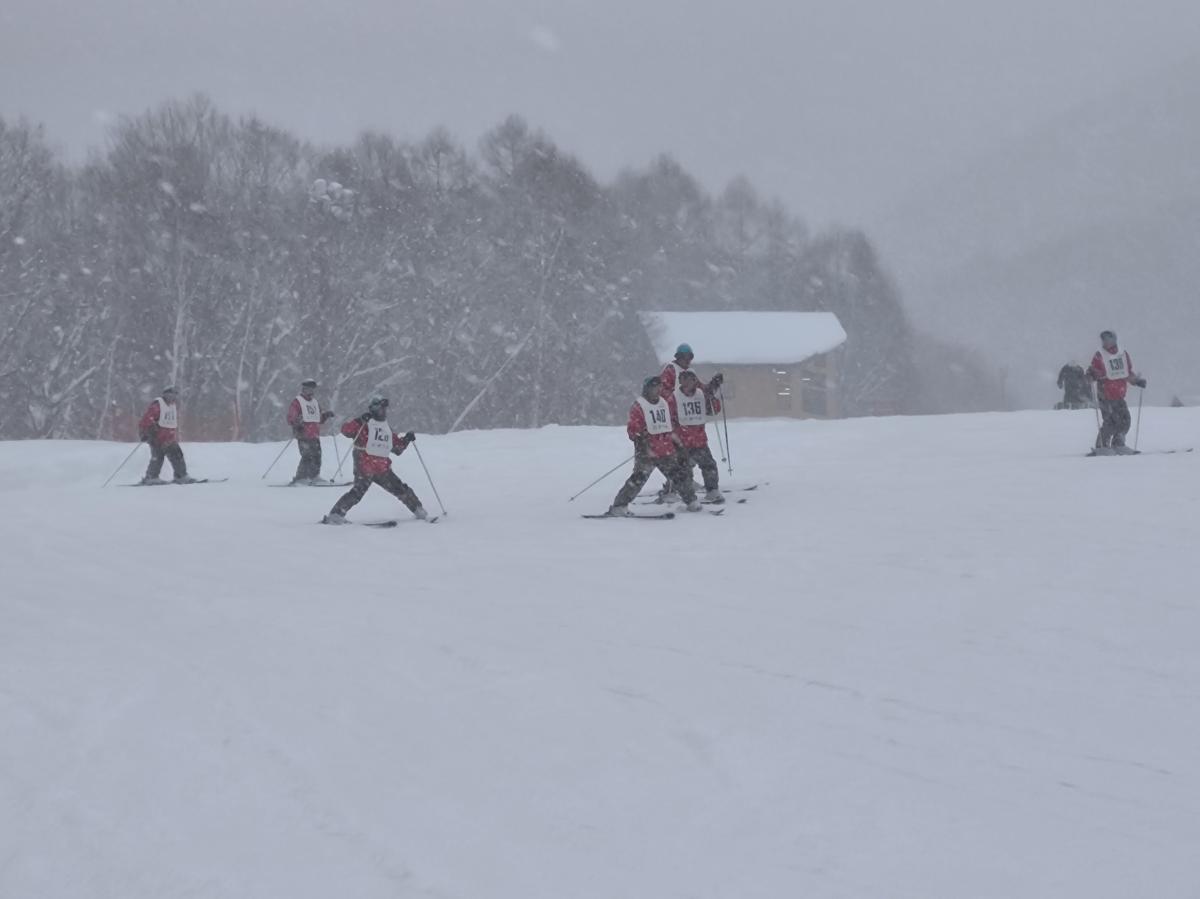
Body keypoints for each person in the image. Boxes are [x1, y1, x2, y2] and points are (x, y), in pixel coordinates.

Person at [323, 395, 428, 523]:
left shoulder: (385, 427)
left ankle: (419, 510)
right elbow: (346, 430)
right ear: (373, 409)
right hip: (364, 466)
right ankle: (336, 515)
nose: (383, 411)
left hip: (382, 468)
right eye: (381, 408)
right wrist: (360, 420)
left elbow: (397, 448)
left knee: (400, 489)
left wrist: (406, 439)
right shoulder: (364, 423)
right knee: (357, 493)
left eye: (384, 409)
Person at [607, 376, 700, 517]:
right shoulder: (639, 406)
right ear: (647, 389)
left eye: (659, 387)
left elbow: (668, 425)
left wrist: (677, 443)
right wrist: (642, 444)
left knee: (679, 476)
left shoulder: (663, 403)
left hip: (665, 449)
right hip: (647, 451)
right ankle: (619, 506)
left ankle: (691, 502)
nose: (657, 390)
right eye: (654, 387)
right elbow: (633, 430)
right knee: (637, 479)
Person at [668, 369, 724, 503]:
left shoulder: (702, 395)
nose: (686, 382)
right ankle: (680, 493)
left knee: (708, 465)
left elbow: (714, 409)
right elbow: (668, 418)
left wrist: (712, 396)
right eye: (683, 379)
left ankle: (712, 490)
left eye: (689, 379)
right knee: (682, 470)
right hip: (681, 442)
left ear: (695, 381)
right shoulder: (674, 398)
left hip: (699, 440)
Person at [1088, 330, 1146, 453]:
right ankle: (1102, 446)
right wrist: (1092, 375)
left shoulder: (1122, 354)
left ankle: (1118, 444)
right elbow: (1093, 372)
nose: (1105, 342)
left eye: (1108, 339)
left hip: (1119, 395)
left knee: (1125, 420)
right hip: (1105, 394)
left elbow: (1127, 372)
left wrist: (1137, 381)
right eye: (1103, 339)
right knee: (1111, 421)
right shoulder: (1100, 355)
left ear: (1114, 340)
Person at [286, 378, 336, 484]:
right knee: (307, 455)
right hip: (303, 434)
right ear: (303, 389)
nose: (310, 391)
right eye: (308, 389)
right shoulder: (298, 401)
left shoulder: (314, 402)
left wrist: (326, 415)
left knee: (317, 456)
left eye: (312, 389)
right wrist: (296, 424)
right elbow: (291, 417)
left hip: (314, 435)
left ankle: (314, 476)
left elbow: (319, 418)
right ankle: (301, 477)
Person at [138, 386, 191, 484]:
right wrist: (146, 431)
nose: (173, 397)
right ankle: (151, 477)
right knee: (158, 457)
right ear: (165, 395)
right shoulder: (158, 404)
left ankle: (181, 475)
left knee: (177, 455)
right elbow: (147, 419)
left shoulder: (172, 405)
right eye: (171, 394)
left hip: (169, 436)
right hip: (156, 436)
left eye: (175, 395)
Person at [659, 343, 724, 396]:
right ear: (678, 357)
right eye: (684, 357)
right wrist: (678, 397)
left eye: (690, 357)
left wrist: (713, 384)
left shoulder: (690, 372)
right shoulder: (671, 369)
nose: (687, 360)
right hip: (677, 409)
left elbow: (701, 391)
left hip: (689, 409)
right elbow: (661, 391)